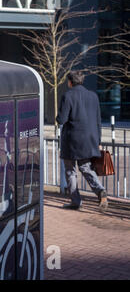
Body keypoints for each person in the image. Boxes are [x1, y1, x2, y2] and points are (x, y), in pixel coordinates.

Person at [56, 71, 108, 211]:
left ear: (70, 82)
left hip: (72, 141)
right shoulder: (93, 96)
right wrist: (98, 140)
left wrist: (58, 115)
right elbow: (98, 120)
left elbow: (61, 119)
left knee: (70, 171)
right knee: (86, 167)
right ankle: (100, 191)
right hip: (90, 139)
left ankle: (76, 202)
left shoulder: (68, 95)